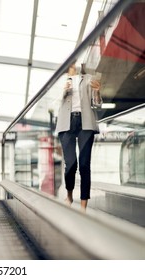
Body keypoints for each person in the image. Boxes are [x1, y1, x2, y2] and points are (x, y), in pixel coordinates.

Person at [55, 62, 102, 212]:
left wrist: (97, 92)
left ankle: (83, 208)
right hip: (66, 123)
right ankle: (69, 195)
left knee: (84, 165)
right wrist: (63, 90)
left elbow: (97, 105)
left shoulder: (88, 78)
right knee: (70, 164)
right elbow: (54, 102)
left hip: (85, 122)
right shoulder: (59, 80)